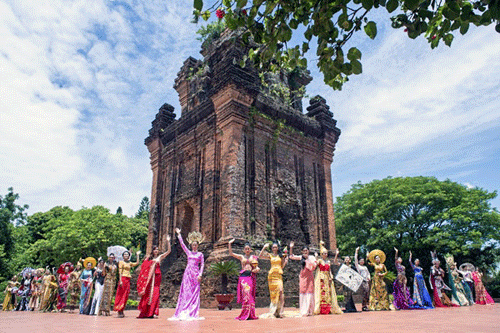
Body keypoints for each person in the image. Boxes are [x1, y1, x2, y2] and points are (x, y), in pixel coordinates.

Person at [168, 228, 205, 321]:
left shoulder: (200, 254)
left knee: (195, 292)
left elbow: (202, 265)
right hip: (188, 273)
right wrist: (179, 234)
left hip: (196, 274)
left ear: (198, 245)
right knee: (186, 291)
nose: (194, 246)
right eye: (193, 245)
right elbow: (182, 245)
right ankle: (184, 309)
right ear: (191, 245)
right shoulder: (188, 252)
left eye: (196, 245)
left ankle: (193, 311)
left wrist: (200, 274)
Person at [137, 235, 171, 318]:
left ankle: (152, 312)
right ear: (152, 251)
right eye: (154, 249)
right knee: (148, 293)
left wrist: (168, 241)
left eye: (157, 249)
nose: (156, 251)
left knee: (155, 293)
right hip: (149, 278)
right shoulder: (149, 258)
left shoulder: (159, 257)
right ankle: (146, 311)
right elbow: (144, 268)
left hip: (157, 277)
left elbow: (168, 251)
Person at [228, 239, 260, 320]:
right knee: (246, 294)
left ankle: (251, 314)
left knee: (250, 294)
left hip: (250, 276)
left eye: (248, 248)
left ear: (251, 249)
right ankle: (245, 313)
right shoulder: (242, 257)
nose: (247, 250)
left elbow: (257, 267)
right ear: (244, 250)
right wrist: (229, 244)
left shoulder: (253, 257)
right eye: (245, 249)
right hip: (243, 277)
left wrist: (257, 269)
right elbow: (231, 253)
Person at [259, 242, 288, 318]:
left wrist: (285, 262)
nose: (274, 249)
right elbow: (260, 256)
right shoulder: (270, 255)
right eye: (273, 247)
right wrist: (264, 247)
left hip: (278, 275)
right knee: (274, 293)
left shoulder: (280, 256)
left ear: (278, 248)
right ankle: (275, 310)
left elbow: (282, 266)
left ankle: (281, 310)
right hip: (272, 276)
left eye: (276, 247)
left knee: (281, 291)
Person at [314, 241, 343, 315]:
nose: (325, 255)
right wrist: (316, 257)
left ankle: (328, 308)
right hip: (321, 278)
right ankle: (321, 308)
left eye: (326, 253)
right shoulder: (320, 260)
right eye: (324, 253)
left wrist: (331, 277)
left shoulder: (328, 261)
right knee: (322, 292)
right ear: (321, 254)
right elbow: (315, 265)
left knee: (328, 292)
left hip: (327, 278)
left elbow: (329, 270)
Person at [289, 242, 316, 316]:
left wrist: (308, 260)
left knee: (309, 292)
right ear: (302, 252)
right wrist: (291, 248)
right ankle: (304, 310)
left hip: (309, 276)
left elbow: (314, 266)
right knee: (303, 291)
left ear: (308, 251)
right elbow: (291, 256)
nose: (305, 252)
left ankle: (310, 310)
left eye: (306, 250)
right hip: (303, 277)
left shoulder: (311, 257)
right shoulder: (301, 257)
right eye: (303, 251)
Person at [114, 250, 141, 318]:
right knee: (121, 294)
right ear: (123, 256)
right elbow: (120, 272)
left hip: (128, 279)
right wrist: (120, 280)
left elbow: (137, 263)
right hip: (123, 278)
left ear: (129, 256)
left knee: (126, 295)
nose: (126, 256)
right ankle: (119, 310)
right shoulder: (121, 262)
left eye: (127, 255)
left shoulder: (129, 263)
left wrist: (137, 255)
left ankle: (122, 309)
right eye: (125, 254)